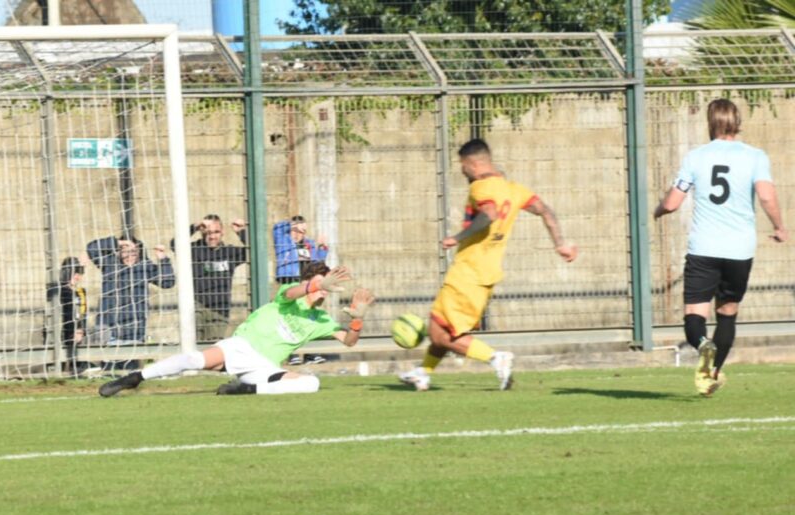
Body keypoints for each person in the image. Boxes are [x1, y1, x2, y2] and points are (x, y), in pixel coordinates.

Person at [399, 138, 577, 392]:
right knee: (443, 327)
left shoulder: (480, 187)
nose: (462, 171)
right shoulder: (514, 189)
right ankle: (422, 373)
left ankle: (496, 359)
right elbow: (546, 211)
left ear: (472, 164)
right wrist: (561, 244)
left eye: (462, 165)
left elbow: (489, 214)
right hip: (486, 273)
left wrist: (456, 238)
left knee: (439, 333)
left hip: (468, 272)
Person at [653, 98, 788, 397]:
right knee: (727, 312)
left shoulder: (696, 157)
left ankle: (702, 345)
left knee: (694, 315)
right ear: (737, 121)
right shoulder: (755, 156)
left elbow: (673, 202)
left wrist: (658, 210)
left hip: (704, 248)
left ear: (710, 123)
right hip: (739, 250)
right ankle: (711, 375)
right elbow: (766, 196)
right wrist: (779, 226)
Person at [97, 262, 374, 397]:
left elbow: (348, 341)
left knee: (311, 384)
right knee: (194, 359)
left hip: (264, 366)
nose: (325, 289)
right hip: (241, 346)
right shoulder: (290, 295)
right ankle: (135, 376)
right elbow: (291, 294)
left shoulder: (321, 319)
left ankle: (248, 390)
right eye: (320, 282)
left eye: (327, 284)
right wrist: (316, 284)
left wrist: (358, 320)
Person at [86, 234, 175, 346]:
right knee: (109, 362)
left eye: (133, 251)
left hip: (134, 331)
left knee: (131, 362)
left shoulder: (144, 267)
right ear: (119, 252)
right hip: (107, 329)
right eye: (125, 251)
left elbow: (168, 282)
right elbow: (91, 248)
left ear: (139, 252)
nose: (129, 255)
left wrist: (163, 258)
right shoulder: (109, 264)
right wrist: (120, 242)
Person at [171, 214, 249, 342]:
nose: (212, 236)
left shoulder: (230, 252)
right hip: (196, 305)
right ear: (202, 232)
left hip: (219, 307)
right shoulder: (194, 249)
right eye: (208, 233)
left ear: (222, 232)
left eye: (216, 232)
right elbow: (175, 244)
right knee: (192, 345)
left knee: (213, 347)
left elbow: (253, 251)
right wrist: (195, 227)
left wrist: (241, 232)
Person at [272, 214, 329, 364]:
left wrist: (322, 249)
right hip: (289, 282)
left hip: (306, 285)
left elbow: (317, 264)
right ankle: (292, 354)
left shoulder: (308, 244)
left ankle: (310, 353)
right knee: (289, 318)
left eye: (302, 231)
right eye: (295, 231)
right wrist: (292, 225)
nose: (298, 235)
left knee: (307, 317)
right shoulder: (283, 240)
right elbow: (277, 228)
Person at [57, 256, 89, 376]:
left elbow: (82, 314)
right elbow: (66, 314)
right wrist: (74, 330)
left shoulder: (80, 292)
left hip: (77, 334)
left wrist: (81, 329)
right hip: (62, 332)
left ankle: (78, 368)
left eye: (79, 272)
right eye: (74, 272)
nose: (77, 276)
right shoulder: (59, 291)